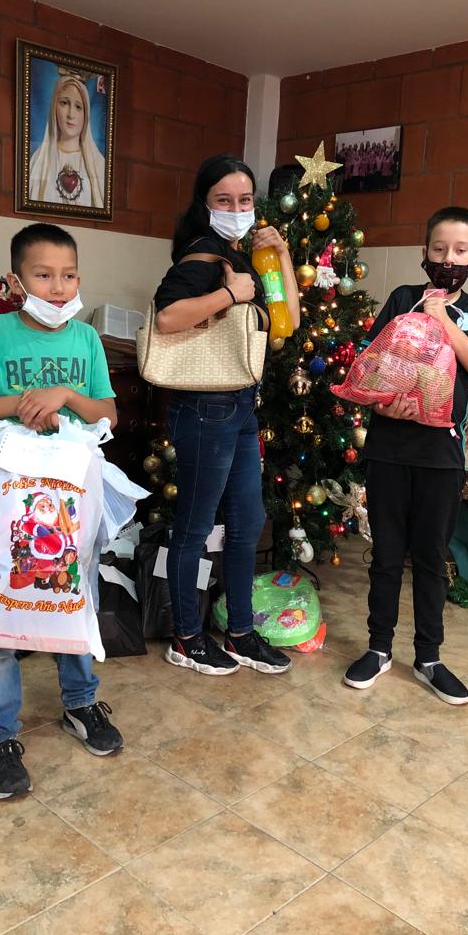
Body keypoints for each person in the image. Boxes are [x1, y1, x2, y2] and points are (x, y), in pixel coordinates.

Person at [0, 222, 123, 798]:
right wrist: (20, 406)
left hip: (73, 504)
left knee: (76, 596)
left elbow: (108, 415)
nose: (60, 288)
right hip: (16, 502)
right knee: (7, 601)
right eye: (44, 275)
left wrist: (66, 397)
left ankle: (81, 703)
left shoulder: (86, 341)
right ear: (18, 281)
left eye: (69, 275)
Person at [343, 206, 468, 705]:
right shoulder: (401, 299)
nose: (447, 259)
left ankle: (429, 657)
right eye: (438, 249)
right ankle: (378, 647)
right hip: (389, 448)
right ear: (423, 253)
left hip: (441, 454)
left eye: (459, 251)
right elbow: (371, 363)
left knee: (430, 559)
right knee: (387, 555)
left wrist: (445, 324)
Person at [154, 153, 300, 676]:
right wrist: (226, 293)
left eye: (245, 199)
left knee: (247, 523)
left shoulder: (240, 255)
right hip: (205, 406)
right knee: (194, 527)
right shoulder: (202, 256)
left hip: (240, 404)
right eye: (224, 200)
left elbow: (286, 322)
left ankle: (240, 633)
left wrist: (280, 254)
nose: (237, 209)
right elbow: (167, 317)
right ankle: (186, 637)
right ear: (205, 204)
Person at [29, 73, 105, 208]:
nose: (70, 114)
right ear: (54, 107)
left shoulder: (98, 164)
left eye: (78, 107)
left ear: (85, 114)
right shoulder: (38, 162)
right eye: (64, 103)